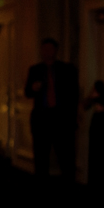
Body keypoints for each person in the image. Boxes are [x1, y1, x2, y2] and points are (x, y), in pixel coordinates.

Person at [25, 38, 80, 186]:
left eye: (50, 49)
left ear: (55, 51)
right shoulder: (35, 69)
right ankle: (41, 187)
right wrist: (34, 88)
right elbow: (27, 92)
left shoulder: (66, 69)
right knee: (41, 156)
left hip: (61, 118)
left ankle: (69, 186)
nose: (47, 52)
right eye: (44, 49)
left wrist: (72, 118)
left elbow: (73, 94)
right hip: (42, 118)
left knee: (66, 155)